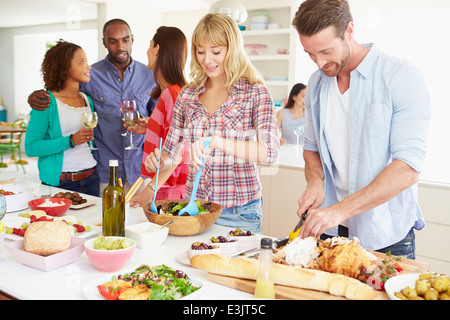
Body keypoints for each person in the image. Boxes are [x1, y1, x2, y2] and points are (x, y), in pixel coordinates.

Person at [293, 0, 431, 259]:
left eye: (325, 51)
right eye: (310, 54)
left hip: (385, 236)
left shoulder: (401, 77)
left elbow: (407, 169)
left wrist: (339, 210)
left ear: (349, 30)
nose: (319, 63)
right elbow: (311, 148)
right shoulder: (316, 84)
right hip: (330, 230)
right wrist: (315, 182)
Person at [144, 13, 280, 234]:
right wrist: (158, 162)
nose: (207, 60)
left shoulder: (255, 92)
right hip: (195, 209)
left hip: (240, 213)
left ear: (232, 49)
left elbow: (270, 152)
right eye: (200, 51)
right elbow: (171, 153)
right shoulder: (188, 95)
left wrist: (217, 142)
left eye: (216, 51)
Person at [27, 19, 156, 195]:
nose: (120, 46)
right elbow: (62, 91)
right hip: (104, 171)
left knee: (139, 222)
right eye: (113, 41)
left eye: (125, 40)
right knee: (102, 221)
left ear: (132, 39)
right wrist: (34, 96)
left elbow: (160, 119)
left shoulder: (150, 75)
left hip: (139, 171)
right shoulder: (90, 75)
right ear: (104, 41)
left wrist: (147, 123)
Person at [25, 40, 99, 196]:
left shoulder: (86, 100)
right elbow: (31, 147)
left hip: (91, 177)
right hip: (62, 182)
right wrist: (70, 141)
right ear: (65, 67)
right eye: (81, 62)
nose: (88, 66)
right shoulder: (46, 102)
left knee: (93, 222)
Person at [127, 26, 190, 208]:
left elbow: (177, 152)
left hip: (170, 191)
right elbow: (172, 135)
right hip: (168, 187)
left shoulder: (173, 93)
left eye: (150, 45)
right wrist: (150, 127)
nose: (147, 50)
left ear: (157, 49)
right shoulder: (170, 92)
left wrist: (149, 191)